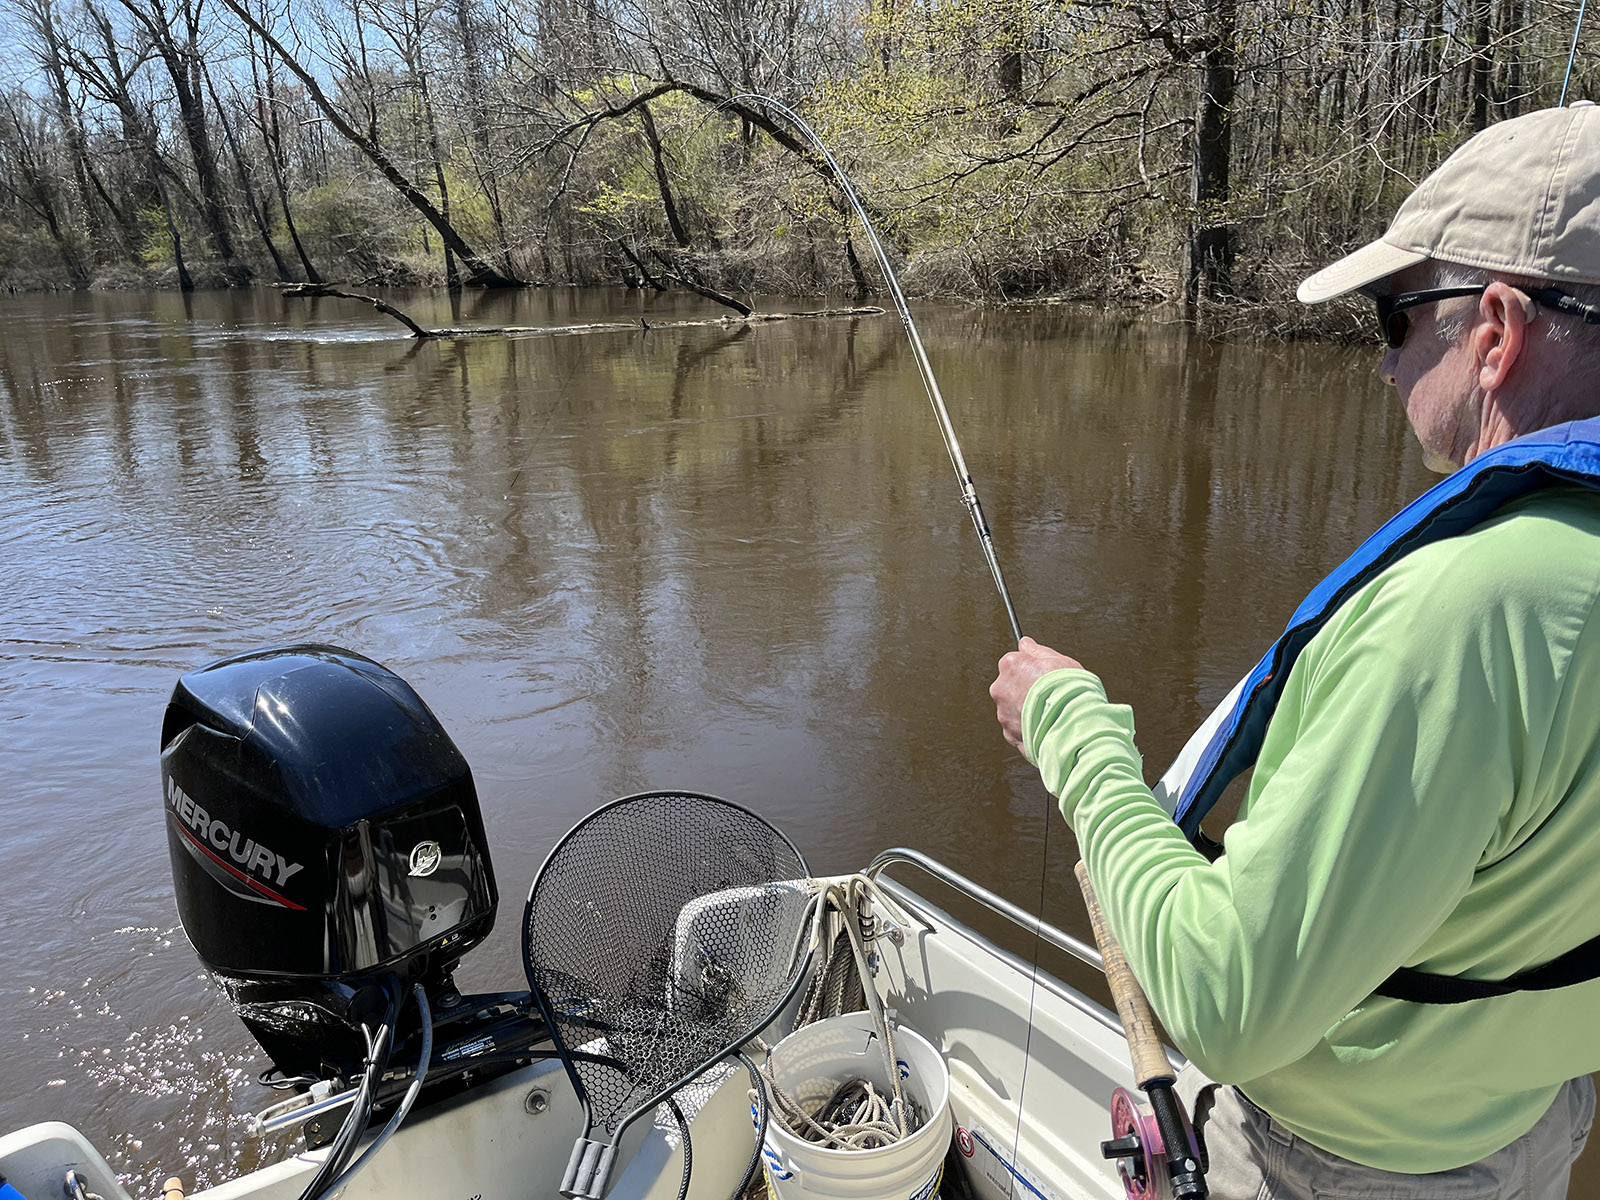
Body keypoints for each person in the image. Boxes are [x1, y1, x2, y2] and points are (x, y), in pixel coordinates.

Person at [990, 102, 1600, 1199]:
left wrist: (1072, 738)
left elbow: (1225, 1004)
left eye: (1394, 318)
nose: (1383, 367)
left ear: (1497, 332)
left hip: (1348, 1166)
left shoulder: (1468, 614)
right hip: (1531, 1127)